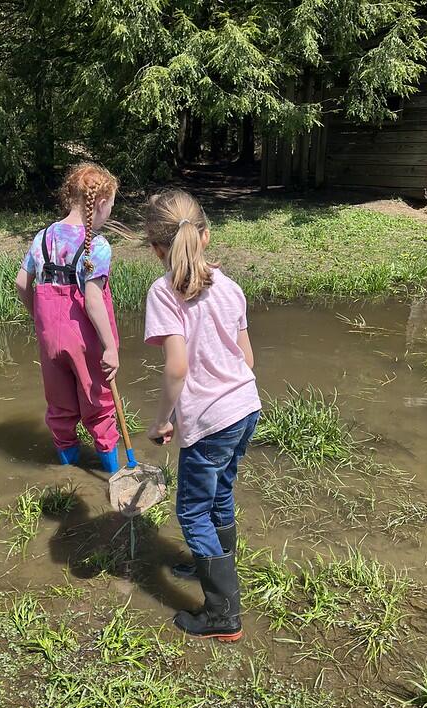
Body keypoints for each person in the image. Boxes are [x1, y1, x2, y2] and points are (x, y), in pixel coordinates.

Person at [144, 189, 261, 642]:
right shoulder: (230, 286)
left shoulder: (163, 291)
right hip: (245, 407)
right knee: (220, 494)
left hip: (212, 420)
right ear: (205, 236)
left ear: (156, 249)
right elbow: (246, 359)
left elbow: (177, 366)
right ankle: (212, 563)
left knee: (192, 513)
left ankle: (222, 613)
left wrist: (161, 420)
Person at [15, 162, 121, 472]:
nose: (110, 213)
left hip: (50, 339)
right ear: (100, 203)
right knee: (99, 406)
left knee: (60, 408)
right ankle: (114, 473)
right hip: (86, 341)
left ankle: (67, 472)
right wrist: (110, 347)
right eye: (111, 207)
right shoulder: (96, 246)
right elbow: (92, 300)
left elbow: (22, 283)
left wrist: (40, 316)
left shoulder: (43, 238)